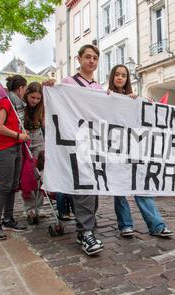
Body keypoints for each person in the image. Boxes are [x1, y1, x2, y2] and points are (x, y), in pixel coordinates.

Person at [107, 64, 174, 237]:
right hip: (115, 148)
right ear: (112, 77)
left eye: (124, 75)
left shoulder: (133, 98)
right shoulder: (104, 96)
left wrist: (147, 105)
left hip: (135, 148)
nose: (120, 78)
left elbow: (143, 119)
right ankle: (125, 225)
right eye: (117, 74)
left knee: (142, 186)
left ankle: (157, 225)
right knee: (120, 189)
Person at [60, 44, 104, 256]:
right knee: (84, 188)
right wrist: (50, 87)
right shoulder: (68, 83)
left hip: (96, 143)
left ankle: (86, 228)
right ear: (79, 59)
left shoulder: (99, 88)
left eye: (95, 58)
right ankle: (85, 231)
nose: (91, 61)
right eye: (87, 57)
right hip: (77, 142)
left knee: (93, 190)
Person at [0, 75, 30, 240]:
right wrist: (18, 135)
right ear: (20, 88)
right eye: (25, 89)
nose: (25, 92)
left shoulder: (17, 105)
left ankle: (8, 219)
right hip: (4, 147)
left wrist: (20, 135)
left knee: (13, 185)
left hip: (15, 147)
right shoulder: (5, 102)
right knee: (5, 186)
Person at [20, 82, 46, 218]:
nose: (35, 101)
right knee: (28, 174)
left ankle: (39, 206)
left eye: (38, 98)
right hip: (25, 140)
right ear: (27, 95)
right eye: (32, 97)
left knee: (39, 173)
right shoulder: (21, 106)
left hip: (38, 139)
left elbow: (45, 123)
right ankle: (29, 207)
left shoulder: (41, 107)